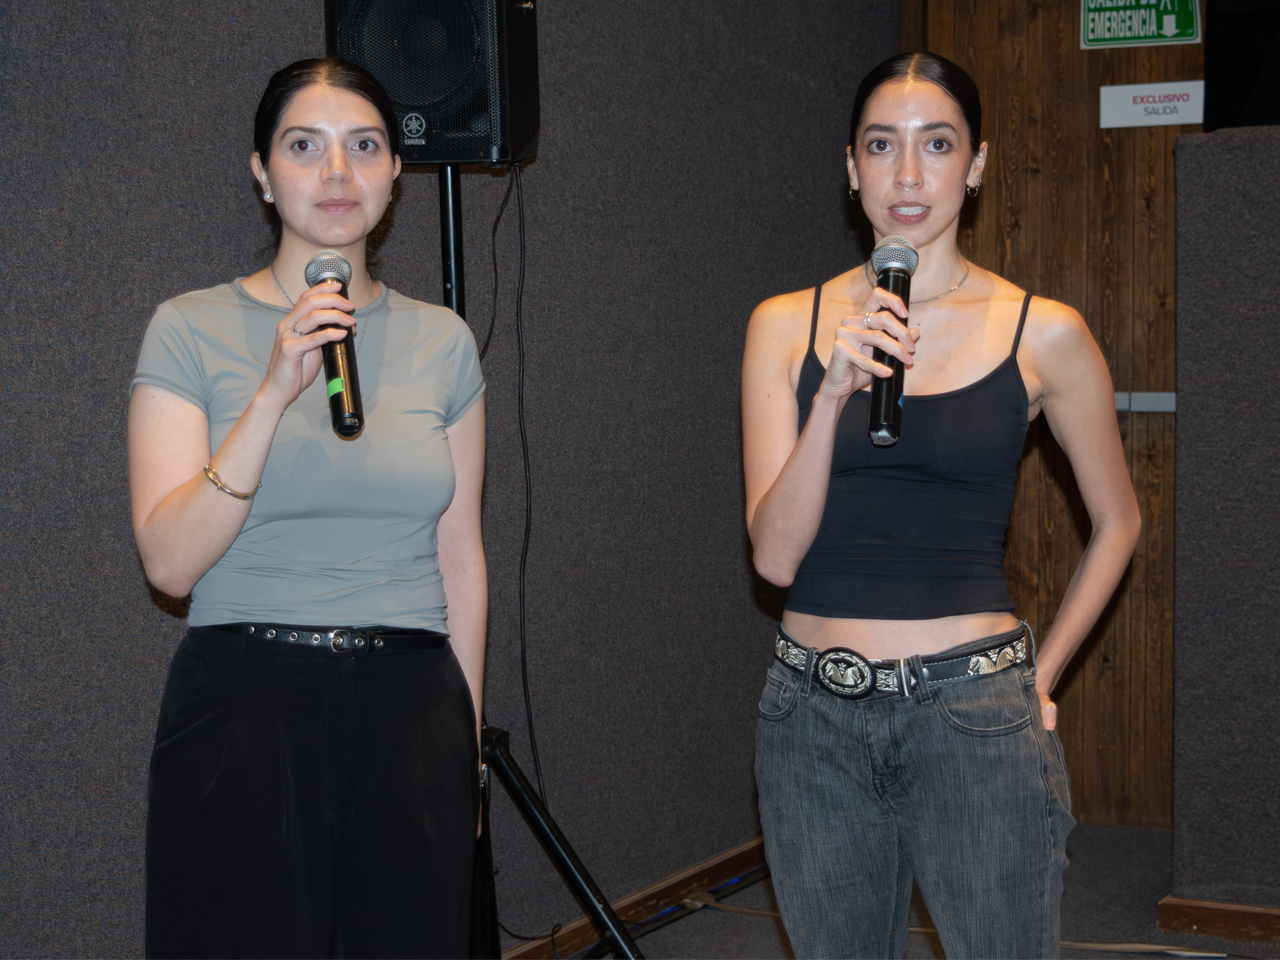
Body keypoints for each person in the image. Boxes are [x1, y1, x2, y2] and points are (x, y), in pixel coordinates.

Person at [742, 52, 1141, 959]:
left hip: (975, 714)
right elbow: (774, 557)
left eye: (937, 144)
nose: (909, 176)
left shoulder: (1045, 331)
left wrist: (1042, 677)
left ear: (978, 163)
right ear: (852, 168)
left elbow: (1119, 520)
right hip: (811, 717)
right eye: (882, 146)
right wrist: (831, 398)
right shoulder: (783, 325)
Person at [128, 58, 486, 959]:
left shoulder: (444, 340)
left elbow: (461, 559)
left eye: (364, 146)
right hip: (247, 704)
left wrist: (467, 747)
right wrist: (270, 393)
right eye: (303, 146)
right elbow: (169, 564)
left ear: (395, 172)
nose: (337, 173)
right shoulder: (188, 327)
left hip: (413, 709)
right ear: (262, 171)